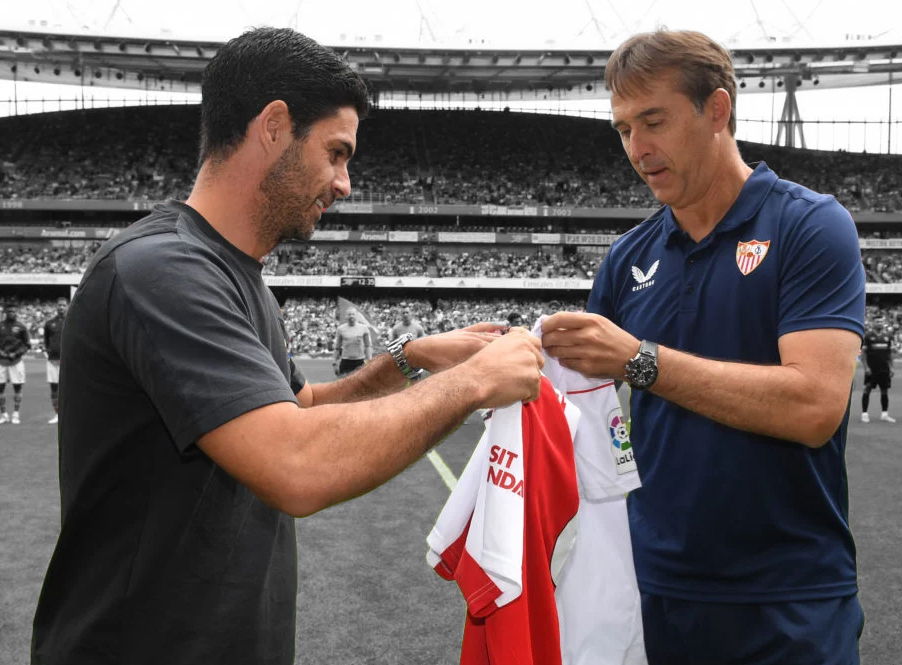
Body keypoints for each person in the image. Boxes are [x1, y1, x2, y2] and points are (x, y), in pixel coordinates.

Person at [31, 28, 543, 665]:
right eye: (336, 153)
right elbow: (297, 466)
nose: (345, 182)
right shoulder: (161, 271)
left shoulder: (236, 275)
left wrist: (411, 358)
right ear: (274, 126)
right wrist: (473, 382)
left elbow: (300, 408)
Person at [541, 30, 865, 665]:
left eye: (653, 121)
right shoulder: (629, 256)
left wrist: (642, 360)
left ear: (717, 110)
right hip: (655, 588)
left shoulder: (810, 226)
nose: (637, 149)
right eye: (624, 129)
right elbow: (575, 402)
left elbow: (813, 407)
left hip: (788, 595)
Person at [861, 317, 896, 423]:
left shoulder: (888, 336)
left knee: (884, 390)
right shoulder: (868, 336)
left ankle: (884, 414)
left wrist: (891, 367)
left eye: (881, 321)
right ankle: (864, 414)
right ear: (873, 323)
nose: (879, 323)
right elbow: (863, 353)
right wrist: (866, 367)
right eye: (877, 321)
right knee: (867, 389)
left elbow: (889, 354)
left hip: (884, 369)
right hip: (872, 369)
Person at [0, 302, 31, 425]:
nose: (11, 313)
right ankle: (3, 414)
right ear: (5, 312)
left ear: (16, 312)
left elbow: (27, 344)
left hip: (16, 362)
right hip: (1, 361)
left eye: (13, 311)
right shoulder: (0, 326)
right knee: (0, 389)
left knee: (17, 388)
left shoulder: (21, 327)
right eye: (9, 311)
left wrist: (17, 353)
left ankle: (16, 414)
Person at [43, 297, 68, 425]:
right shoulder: (49, 323)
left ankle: (70, 415)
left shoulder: (73, 321)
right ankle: (57, 414)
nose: (61, 307)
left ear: (67, 306)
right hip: (52, 360)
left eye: (63, 305)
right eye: (59, 305)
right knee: (54, 389)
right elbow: (46, 340)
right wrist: (49, 350)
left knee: (70, 388)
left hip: (68, 362)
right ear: (56, 307)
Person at [333, 308, 372, 376]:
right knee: (344, 385)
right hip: (345, 361)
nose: (351, 316)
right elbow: (337, 347)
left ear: (356, 316)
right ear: (346, 316)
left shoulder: (364, 328)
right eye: (349, 314)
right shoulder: (340, 329)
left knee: (360, 385)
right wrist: (335, 363)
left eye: (353, 314)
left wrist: (369, 361)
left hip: (359, 361)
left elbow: (368, 346)